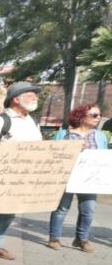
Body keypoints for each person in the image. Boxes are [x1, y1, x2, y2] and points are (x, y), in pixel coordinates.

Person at [0, 81, 43, 261]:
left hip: (22, 175)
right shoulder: (2, 120)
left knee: (10, 210)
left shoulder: (32, 121)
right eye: (30, 94)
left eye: (35, 95)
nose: (35, 97)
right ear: (16, 99)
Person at [47, 103, 106, 252]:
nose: (98, 118)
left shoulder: (100, 136)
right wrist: (73, 149)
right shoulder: (63, 134)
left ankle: (81, 239)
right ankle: (54, 238)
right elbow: (53, 154)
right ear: (81, 117)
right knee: (61, 208)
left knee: (88, 210)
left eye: (99, 115)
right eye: (94, 115)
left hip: (90, 179)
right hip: (67, 176)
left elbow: (103, 156)